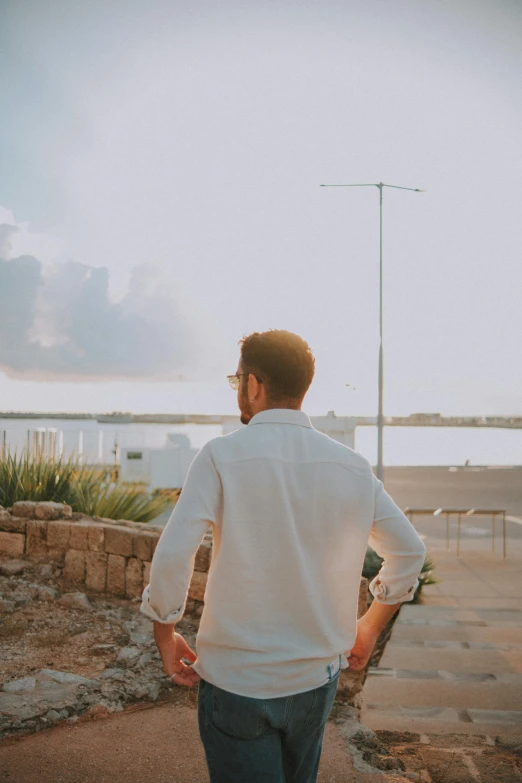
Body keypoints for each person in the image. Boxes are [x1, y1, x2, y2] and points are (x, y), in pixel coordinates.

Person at [141, 329, 426, 783]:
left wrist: (165, 631)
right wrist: (368, 628)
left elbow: (175, 551)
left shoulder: (220, 456)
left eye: (237, 381)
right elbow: (409, 552)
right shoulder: (352, 466)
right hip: (316, 681)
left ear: (253, 384)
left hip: (236, 682)